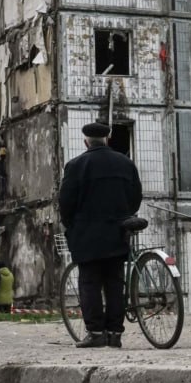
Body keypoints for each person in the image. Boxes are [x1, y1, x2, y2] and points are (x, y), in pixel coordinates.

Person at [60, 121, 143, 349]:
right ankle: (115, 334)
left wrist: (71, 226)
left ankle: (96, 332)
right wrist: (124, 215)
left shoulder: (76, 166)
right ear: (107, 139)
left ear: (86, 142)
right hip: (118, 232)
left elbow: (66, 202)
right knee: (115, 283)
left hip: (87, 234)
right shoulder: (125, 163)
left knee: (90, 283)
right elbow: (136, 196)